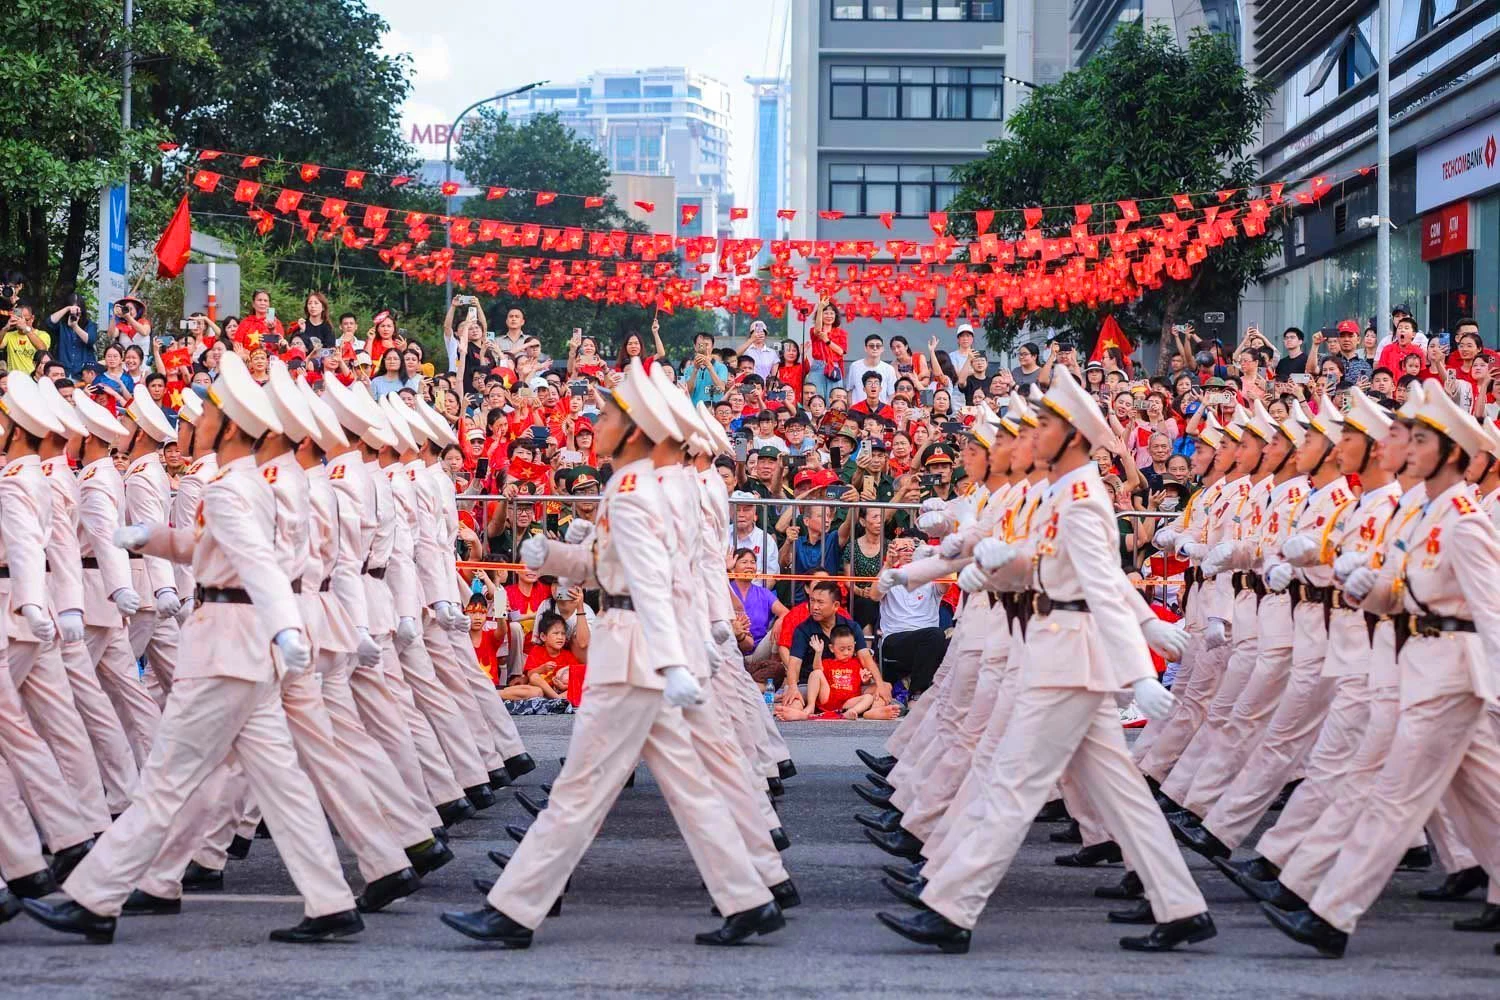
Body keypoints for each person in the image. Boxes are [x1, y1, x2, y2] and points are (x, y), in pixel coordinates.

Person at [21, 350, 364, 945]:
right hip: (247, 646)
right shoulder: (247, 484)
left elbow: (257, 566)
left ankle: (95, 898)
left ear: (230, 428)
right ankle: (331, 900)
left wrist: (286, 624)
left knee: (165, 778)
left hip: (229, 645)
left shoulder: (233, 489)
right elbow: (220, 552)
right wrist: (152, 539)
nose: (196, 419)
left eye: (207, 412)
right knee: (280, 782)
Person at [440, 358, 784, 948]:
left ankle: (515, 909)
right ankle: (749, 895)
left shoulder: (631, 490)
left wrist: (674, 661)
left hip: (634, 651)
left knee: (581, 788)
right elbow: (612, 566)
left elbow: (645, 580)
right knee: (688, 783)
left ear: (632, 432)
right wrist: (552, 557)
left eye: (605, 414)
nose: (594, 422)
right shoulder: (650, 484)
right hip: (650, 648)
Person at [878, 367, 1211, 955]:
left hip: (1069, 654)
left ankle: (950, 907)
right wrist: (999, 566)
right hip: (1056, 645)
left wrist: (1140, 670)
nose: (1036, 435)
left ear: (1076, 437)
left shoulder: (1080, 499)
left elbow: (1103, 587)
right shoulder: (1056, 494)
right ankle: (1181, 905)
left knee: (1010, 781)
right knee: (1121, 793)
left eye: (1049, 425)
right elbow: (1048, 565)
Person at [3, 304, 50, 375]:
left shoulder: (42, 334)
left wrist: (25, 328)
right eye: (19, 319)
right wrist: (5, 328)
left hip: (33, 379)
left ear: (32, 318)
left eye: (26, 319)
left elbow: (42, 350)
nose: (23, 322)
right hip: (14, 379)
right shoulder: (9, 335)